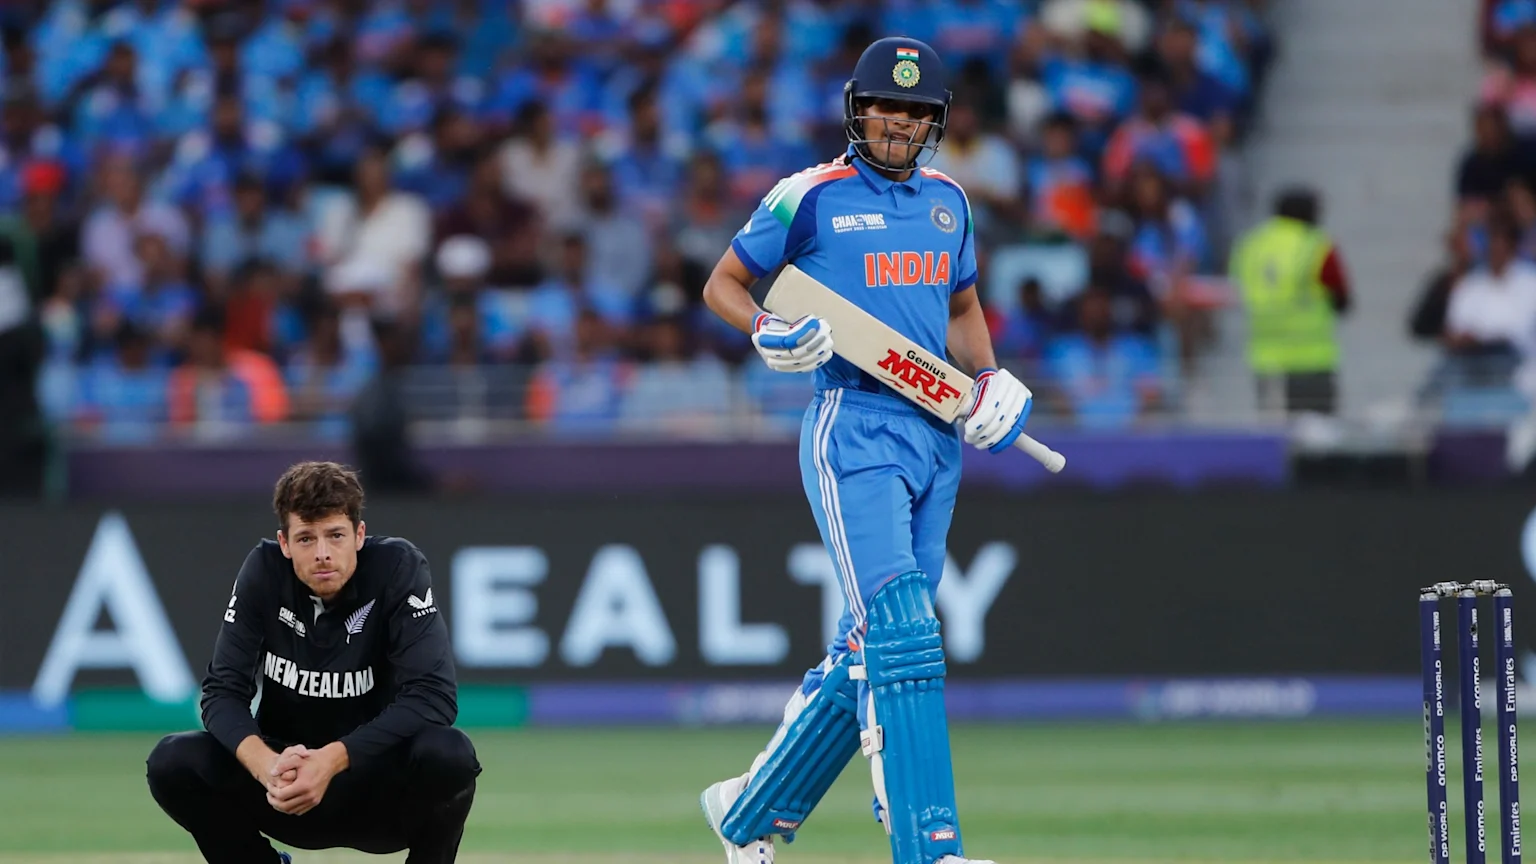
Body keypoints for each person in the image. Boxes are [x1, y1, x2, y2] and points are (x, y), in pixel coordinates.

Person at [697, 36, 1030, 864]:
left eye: (916, 112)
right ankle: (930, 848)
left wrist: (990, 381)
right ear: (857, 110)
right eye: (887, 106)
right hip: (852, 422)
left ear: (936, 124)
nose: (899, 122)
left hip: (935, 426)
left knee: (867, 647)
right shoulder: (806, 196)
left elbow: (960, 310)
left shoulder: (950, 201)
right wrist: (768, 330)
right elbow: (723, 284)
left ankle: (749, 812)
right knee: (905, 629)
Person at [145, 461, 479, 863]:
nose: (322, 553)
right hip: (284, 789)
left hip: (378, 794)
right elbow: (221, 693)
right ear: (284, 543)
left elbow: (435, 697)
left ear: (359, 535)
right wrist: (266, 765)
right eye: (305, 538)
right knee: (172, 761)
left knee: (451, 754)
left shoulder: (397, 568)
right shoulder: (264, 572)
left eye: (335, 535)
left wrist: (331, 759)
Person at [1228, 186, 1351, 416]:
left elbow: (1236, 284)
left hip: (1266, 357)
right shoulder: (1316, 245)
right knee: (1317, 437)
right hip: (1313, 357)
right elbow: (1342, 298)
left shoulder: (1251, 245)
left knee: (1277, 435)